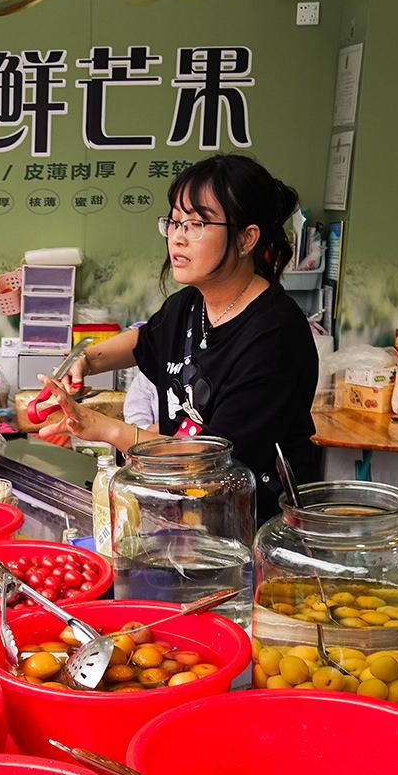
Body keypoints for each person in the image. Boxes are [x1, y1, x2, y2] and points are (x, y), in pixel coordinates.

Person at [33, 153, 320, 521]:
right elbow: (143, 342)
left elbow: (210, 462)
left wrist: (102, 427)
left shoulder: (275, 336)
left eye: (198, 223)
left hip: (254, 528)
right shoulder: (190, 304)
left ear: (247, 238)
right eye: (175, 221)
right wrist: (86, 360)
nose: (178, 237)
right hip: (187, 511)